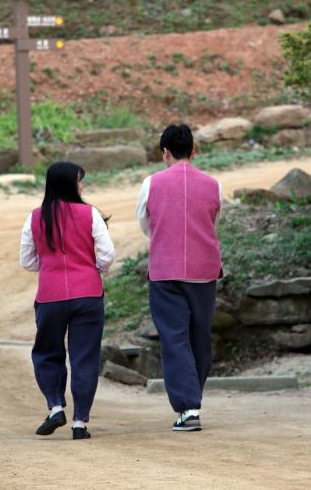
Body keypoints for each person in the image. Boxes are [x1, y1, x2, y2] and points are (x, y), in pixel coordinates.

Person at [136, 124, 223, 432]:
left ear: (165, 153)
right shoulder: (214, 184)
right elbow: (213, 220)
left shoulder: (151, 183)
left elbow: (146, 225)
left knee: (174, 338)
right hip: (205, 271)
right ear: (193, 151)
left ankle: (188, 407)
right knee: (199, 336)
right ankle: (192, 400)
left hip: (166, 271)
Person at [20, 161, 115, 440]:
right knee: (84, 357)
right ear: (69, 184)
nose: (82, 185)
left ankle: (55, 406)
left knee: (47, 353)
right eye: (79, 180)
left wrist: (50, 267)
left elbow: (27, 261)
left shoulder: (34, 218)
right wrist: (91, 267)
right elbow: (107, 256)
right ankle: (79, 423)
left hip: (49, 297)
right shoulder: (90, 214)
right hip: (88, 294)